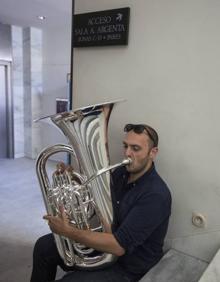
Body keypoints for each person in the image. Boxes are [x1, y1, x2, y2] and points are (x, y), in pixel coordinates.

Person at [30, 123, 172, 282]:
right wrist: (72, 178)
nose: (127, 153)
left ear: (153, 153)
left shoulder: (155, 195)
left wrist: (68, 231)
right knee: (43, 246)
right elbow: (94, 196)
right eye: (125, 146)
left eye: (135, 148)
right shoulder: (121, 173)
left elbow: (119, 247)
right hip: (106, 244)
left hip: (129, 267)